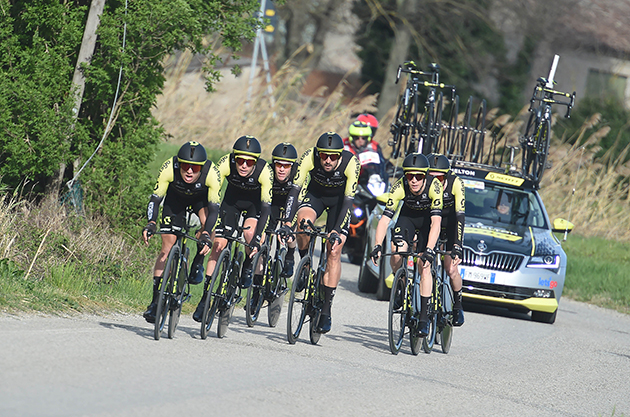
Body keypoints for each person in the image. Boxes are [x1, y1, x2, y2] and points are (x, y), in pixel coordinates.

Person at [283, 132, 360, 334]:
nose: (327, 160)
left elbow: (348, 201)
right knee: (303, 223)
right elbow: (294, 191)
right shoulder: (309, 156)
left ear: (339, 156)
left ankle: (326, 309)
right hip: (315, 195)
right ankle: (305, 265)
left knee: (334, 250)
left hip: (340, 203)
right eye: (324, 155)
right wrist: (286, 221)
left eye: (332, 156)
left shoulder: (351, 163)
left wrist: (335, 230)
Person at [192, 135, 274, 322]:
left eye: (249, 161)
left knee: (249, 234)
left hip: (255, 206)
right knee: (218, 244)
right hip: (231, 203)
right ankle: (205, 298)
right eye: (240, 160)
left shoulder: (264, 171)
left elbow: (267, 208)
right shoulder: (225, 163)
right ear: (234, 157)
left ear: (256, 161)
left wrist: (256, 238)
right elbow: (212, 193)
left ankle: (246, 264)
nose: (244, 165)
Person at [142, 141, 221, 324]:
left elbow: (214, 210)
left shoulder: (211, 173)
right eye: (185, 166)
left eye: (194, 168)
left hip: (200, 201)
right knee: (167, 248)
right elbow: (155, 199)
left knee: (207, 226)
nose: (190, 171)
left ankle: (198, 262)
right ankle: (155, 302)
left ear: (201, 167)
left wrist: (207, 235)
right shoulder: (170, 166)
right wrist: (151, 223)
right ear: (179, 164)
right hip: (175, 200)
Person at [370, 153, 443, 336]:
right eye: (410, 176)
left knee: (424, 265)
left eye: (419, 176)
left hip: (427, 222)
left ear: (426, 176)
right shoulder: (400, 186)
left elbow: (436, 223)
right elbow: (385, 220)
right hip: (407, 218)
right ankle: (401, 287)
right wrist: (377, 245)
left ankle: (424, 317)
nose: (414, 181)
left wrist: (428, 250)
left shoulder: (435, 187)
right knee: (396, 253)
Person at [427, 153, 465, 326]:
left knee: (451, 269)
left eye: (440, 178)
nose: (436, 182)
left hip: (450, 225)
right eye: (431, 177)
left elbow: (460, 217)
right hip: (430, 223)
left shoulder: (456, 183)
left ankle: (457, 306)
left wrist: (457, 244)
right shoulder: (422, 184)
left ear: (447, 175)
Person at [269, 142, 299, 277]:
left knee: (289, 233)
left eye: (286, 166)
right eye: (278, 165)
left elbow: (295, 199)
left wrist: (287, 223)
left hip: (292, 201)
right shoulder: (268, 172)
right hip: (274, 202)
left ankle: (290, 255)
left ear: (292, 167)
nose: (281, 169)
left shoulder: (298, 174)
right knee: (266, 230)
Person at [342, 120, 389, 184]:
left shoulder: (374, 146)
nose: (360, 141)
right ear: (351, 138)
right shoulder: (343, 146)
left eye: (363, 138)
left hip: (369, 182)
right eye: (356, 138)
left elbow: (382, 161)